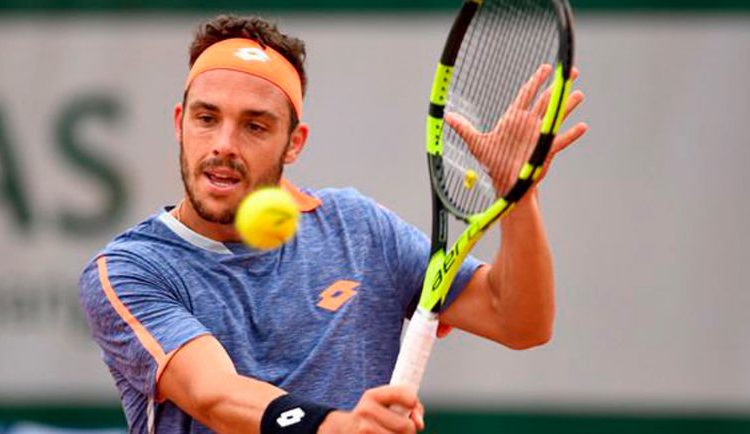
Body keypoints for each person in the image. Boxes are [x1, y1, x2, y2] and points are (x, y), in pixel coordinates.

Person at [78, 14, 587, 434]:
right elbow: (215, 395)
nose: (224, 145)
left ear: (294, 143)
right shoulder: (129, 270)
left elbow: (519, 321)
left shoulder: (358, 230)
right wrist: (338, 426)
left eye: (255, 125)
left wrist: (518, 195)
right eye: (206, 118)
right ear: (180, 123)